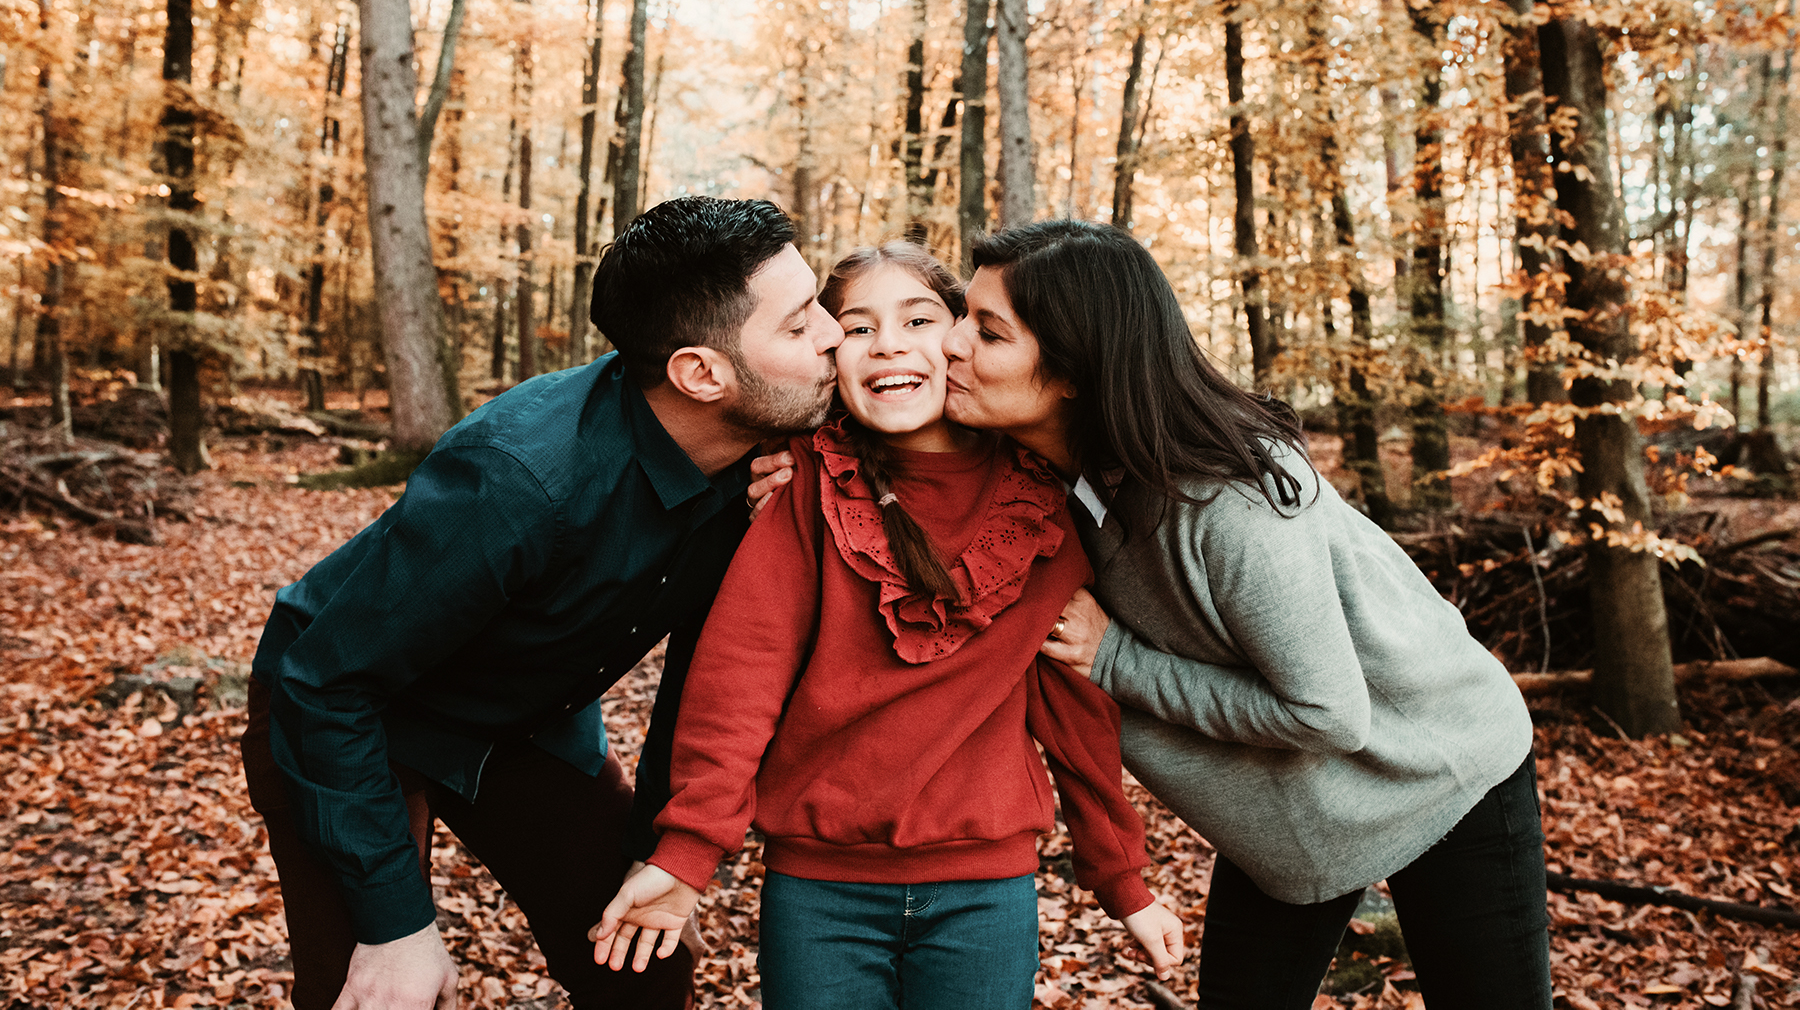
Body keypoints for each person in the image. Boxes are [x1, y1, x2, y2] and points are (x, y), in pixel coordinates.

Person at [239, 197, 844, 1010]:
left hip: (525, 719)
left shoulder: (765, 456)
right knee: (379, 994)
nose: (834, 335)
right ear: (702, 373)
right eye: (801, 324)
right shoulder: (519, 480)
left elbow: (706, 680)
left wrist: (662, 855)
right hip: (348, 714)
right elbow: (326, 683)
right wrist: (397, 927)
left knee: (644, 962)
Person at [937, 220, 1550, 1010]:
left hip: (1441, 767)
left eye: (986, 330)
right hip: (1288, 810)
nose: (951, 343)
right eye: (962, 314)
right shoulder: (1034, 466)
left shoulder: (1231, 504)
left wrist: (1118, 661)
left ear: (1075, 371)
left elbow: (1328, 711)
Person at [591, 242, 1185, 1010]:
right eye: (859, 328)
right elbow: (740, 675)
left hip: (986, 890)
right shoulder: (804, 483)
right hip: (819, 892)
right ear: (831, 357)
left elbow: (1075, 714)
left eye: (918, 319)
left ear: (962, 340)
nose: (891, 344)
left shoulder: (1039, 507)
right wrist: (687, 851)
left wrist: (1123, 879)